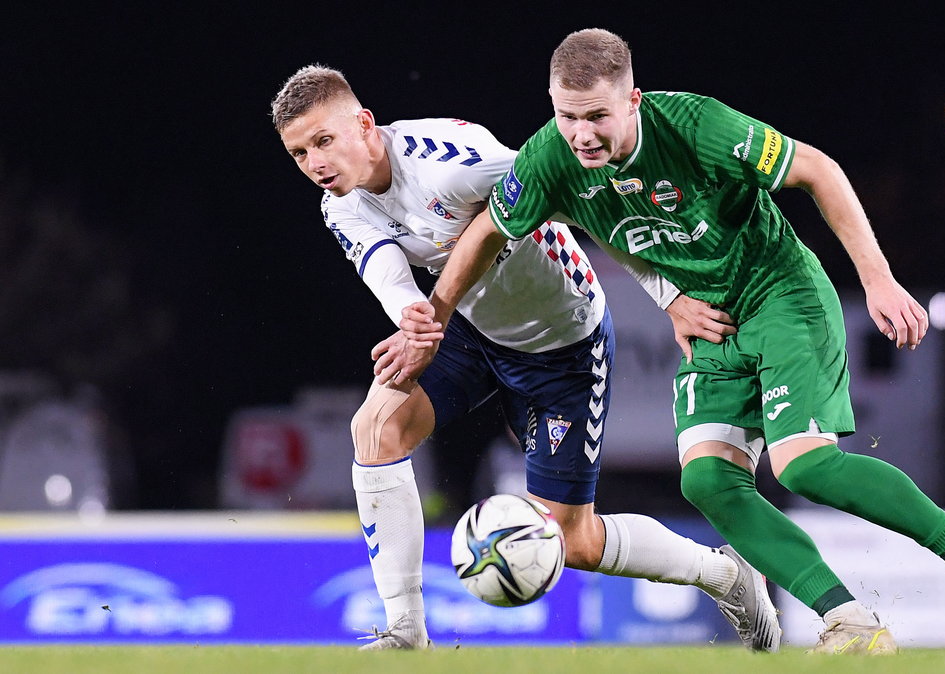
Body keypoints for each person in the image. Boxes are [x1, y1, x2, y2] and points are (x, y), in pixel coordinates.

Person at [393, 29, 945, 655]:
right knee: (707, 482)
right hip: (712, 318)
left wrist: (878, 279)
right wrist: (437, 317)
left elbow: (818, 169)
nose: (582, 134)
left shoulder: (698, 127)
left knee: (802, 465)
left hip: (779, 293)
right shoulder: (550, 159)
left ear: (633, 100)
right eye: (567, 116)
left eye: (597, 116)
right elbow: (489, 232)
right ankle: (848, 621)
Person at [269, 65, 781, 651]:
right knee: (375, 428)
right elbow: (393, 283)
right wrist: (413, 323)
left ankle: (725, 574)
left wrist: (668, 295)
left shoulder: (450, 159)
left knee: (576, 542)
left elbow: (581, 192)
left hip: (562, 344)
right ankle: (405, 633)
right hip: (465, 327)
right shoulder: (339, 205)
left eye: (323, 141)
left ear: (363, 124)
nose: (315, 164)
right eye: (299, 153)